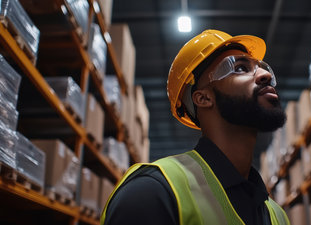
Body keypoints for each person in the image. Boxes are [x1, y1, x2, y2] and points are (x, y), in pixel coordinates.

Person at [101, 29, 290, 225]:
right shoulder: (153, 192)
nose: (265, 74)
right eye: (241, 68)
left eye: (261, 67)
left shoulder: (278, 216)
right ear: (203, 98)